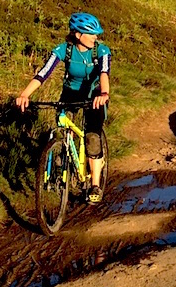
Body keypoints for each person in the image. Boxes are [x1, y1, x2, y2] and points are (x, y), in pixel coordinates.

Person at [16, 12, 111, 204]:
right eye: (91, 33)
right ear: (77, 35)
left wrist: (104, 94)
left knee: (92, 135)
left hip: (95, 95)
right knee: (61, 125)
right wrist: (25, 94)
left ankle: (94, 184)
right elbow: (43, 73)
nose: (96, 37)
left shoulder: (101, 51)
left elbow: (103, 72)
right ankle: (59, 156)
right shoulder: (63, 50)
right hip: (71, 92)